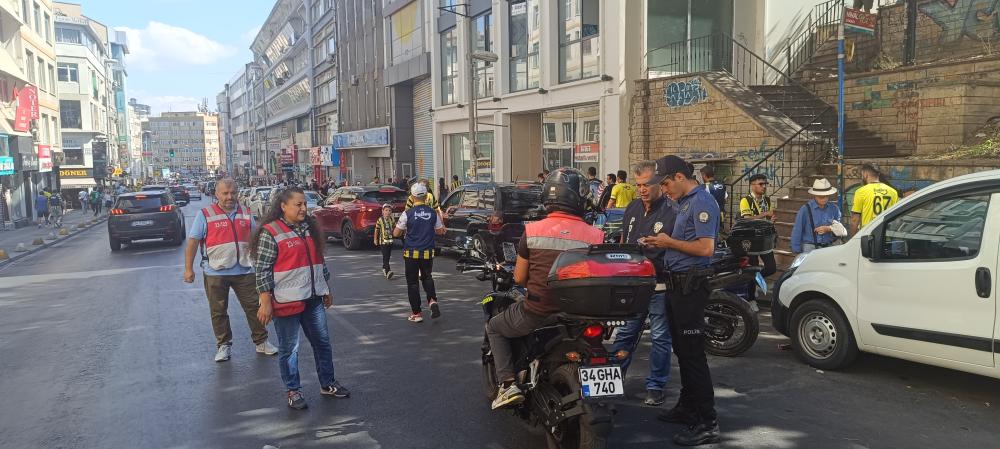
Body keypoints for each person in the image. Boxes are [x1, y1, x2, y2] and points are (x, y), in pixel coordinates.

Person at [487, 168, 605, 410]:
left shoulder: (532, 232)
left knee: (495, 327)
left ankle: (508, 383)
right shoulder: (597, 236)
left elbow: (519, 277)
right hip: (581, 315)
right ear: (579, 198)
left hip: (538, 312)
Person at [641, 155, 720, 446]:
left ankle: (707, 421)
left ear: (678, 177)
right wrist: (659, 242)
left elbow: (705, 247)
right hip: (677, 286)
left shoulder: (702, 202)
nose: (663, 189)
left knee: (693, 355)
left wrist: (668, 243)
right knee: (683, 352)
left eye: (664, 183)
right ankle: (689, 408)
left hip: (690, 287)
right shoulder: (685, 202)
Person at [251, 187, 351, 410]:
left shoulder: (309, 228)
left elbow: (318, 261)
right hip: (286, 301)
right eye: (298, 204)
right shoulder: (271, 231)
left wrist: (325, 288)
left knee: (322, 343)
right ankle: (293, 391)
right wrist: (265, 300)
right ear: (283, 206)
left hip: (313, 298)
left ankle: (328, 383)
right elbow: (262, 269)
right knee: (290, 349)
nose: (304, 208)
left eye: (304, 204)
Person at [184, 178, 277, 363]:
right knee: (218, 311)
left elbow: (256, 240)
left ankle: (262, 341)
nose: (230, 197)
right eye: (225, 193)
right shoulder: (205, 214)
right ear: (216, 194)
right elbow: (193, 241)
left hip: (244, 269)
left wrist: (263, 264)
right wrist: (188, 269)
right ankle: (223, 345)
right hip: (215, 272)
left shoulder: (246, 212)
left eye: (233, 192)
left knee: (254, 307)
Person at [609, 161, 676, 407]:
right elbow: (624, 241)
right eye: (638, 185)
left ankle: (656, 386)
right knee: (625, 333)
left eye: (647, 184)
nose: (642, 189)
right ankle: (612, 380)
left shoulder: (672, 210)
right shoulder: (633, 207)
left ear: (658, 182)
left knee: (660, 337)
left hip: (659, 285)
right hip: (632, 284)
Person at [393, 183, 446, 323]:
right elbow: (440, 231)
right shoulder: (432, 213)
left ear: (412, 196)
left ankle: (416, 314)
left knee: (412, 283)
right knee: (427, 277)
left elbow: (396, 232)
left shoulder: (407, 214)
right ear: (425, 196)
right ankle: (432, 300)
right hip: (427, 252)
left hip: (411, 253)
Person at [739, 174, 777, 295]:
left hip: (764, 239)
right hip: (750, 240)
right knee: (752, 268)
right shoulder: (745, 200)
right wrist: (766, 213)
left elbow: (767, 218)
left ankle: (755, 280)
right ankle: (751, 299)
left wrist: (771, 221)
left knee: (771, 267)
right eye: (761, 184)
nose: (764, 186)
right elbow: (747, 220)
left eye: (765, 184)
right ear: (752, 185)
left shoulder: (767, 199)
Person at [791, 179, 842, 254]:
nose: (824, 199)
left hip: (829, 247)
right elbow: (797, 230)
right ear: (815, 195)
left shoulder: (834, 209)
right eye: (821, 196)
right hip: (809, 248)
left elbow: (838, 228)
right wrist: (796, 250)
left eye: (827, 196)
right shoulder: (805, 209)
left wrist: (829, 229)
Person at [851, 163, 898, 235]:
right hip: (886, 235)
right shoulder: (893, 192)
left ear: (865, 174)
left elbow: (855, 219)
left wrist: (852, 239)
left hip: (868, 236)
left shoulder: (860, 192)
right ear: (878, 175)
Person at [373, 203, 396, 279]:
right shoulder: (380, 220)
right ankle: (388, 271)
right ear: (382, 211)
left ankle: (384, 268)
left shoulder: (392, 219)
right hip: (383, 242)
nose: (388, 212)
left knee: (388, 256)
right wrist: (375, 239)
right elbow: (377, 230)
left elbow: (394, 228)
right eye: (386, 210)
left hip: (390, 241)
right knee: (385, 256)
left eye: (389, 210)